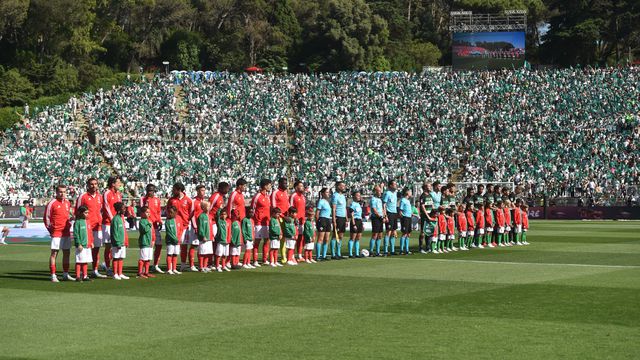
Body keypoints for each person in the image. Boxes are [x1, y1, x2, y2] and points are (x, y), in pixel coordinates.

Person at [76, 178, 105, 278]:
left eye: (95, 184)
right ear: (88, 185)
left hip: (97, 226)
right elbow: (78, 211)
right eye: (91, 184)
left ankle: (95, 270)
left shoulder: (100, 197)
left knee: (96, 249)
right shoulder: (83, 197)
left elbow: (101, 211)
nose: (94, 186)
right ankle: (82, 272)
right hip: (86, 227)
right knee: (83, 249)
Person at [45, 184, 75, 282]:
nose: (62, 194)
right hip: (56, 232)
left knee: (67, 253)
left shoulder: (67, 203)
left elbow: (67, 216)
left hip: (66, 232)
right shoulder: (52, 203)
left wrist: (71, 220)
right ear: (56, 192)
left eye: (64, 192)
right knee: (54, 253)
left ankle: (65, 274)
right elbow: (46, 218)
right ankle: (53, 275)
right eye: (60, 192)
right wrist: (51, 230)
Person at [166, 183, 193, 272]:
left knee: (184, 245)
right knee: (174, 245)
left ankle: (182, 264)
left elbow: (191, 212)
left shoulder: (188, 200)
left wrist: (186, 220)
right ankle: (170, 267)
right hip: (174, 226)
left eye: (174, 189)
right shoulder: (171, 200)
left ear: (179, 190)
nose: (173, 191)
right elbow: (167, 211)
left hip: (184, 226)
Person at [102, 176, 123, 276]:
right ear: (113, 184)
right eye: (118, 182)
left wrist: (120, 221)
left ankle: (115, 268)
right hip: (108, 223)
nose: (120, 184)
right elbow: (106, 208)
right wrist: (113, 220)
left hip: (117, 223)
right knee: (108, 245)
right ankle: (108, 266)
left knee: (116, 244)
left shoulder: (119, 194)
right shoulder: (107, 193)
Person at [140, 184, 163, 273]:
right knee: (147, 246)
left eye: (152, 190)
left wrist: (159, 220)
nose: (150, 192)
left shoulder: (157, 200)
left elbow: (158, 212)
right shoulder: (143, 199)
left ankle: (155, 265)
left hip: (155, 225)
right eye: (148, 190)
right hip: (147, 226)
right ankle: (143, 267)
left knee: (159, 245)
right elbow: (142, 211)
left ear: (154, 191)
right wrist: (146, 203)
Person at [252, 179, 272, 266]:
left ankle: (264, 259)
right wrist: (254, 221)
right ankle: (255, 261)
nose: (270, 186)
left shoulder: (267, 196)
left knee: (267, 241)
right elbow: (252, 209)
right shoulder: (257, 196)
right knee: (257, 242)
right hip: (258, 222)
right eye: (269, 185)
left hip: (266, 222)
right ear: (265, 186)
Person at [189, 185, 208, 272]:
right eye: (202, 190)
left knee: (202, 246)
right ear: (197, 191)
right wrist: (195, 226)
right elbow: (192, 215)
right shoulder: (194, 201)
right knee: (194, 245)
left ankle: (201, 265)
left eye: (204, 190)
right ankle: (192, 265)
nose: (203, 192)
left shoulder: (204, 201)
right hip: (196, 226)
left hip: (203, 227)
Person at [272, 178, 290, 264]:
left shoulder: (286, 193)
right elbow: (274, 207)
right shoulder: (275, 193)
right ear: (279, 183)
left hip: (286, 218)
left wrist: (289, 216)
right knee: (276, 238)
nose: (286, 185)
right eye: (284, 183)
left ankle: (284, 258)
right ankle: (272, 259)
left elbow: (288, 205)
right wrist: (282, 216)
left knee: (284, 238)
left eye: (286, 183)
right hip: (278, 218)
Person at [73, 205, 92, 282]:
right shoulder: (77, 222)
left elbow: (90, 233)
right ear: (81, 213)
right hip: (81, 245)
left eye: (88, 212)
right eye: (85, 213)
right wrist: (78, 243)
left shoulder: (87, 221)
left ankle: (85, 275)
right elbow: (76, 234)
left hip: (87, 245)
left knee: (85, 260)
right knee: (79, 261)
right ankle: (77, 276)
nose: (87, 214)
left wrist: (91, 242)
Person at [110, 202, 129, 280]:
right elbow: (114, 232)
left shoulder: (121, 218)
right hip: (117, 243)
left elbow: (123, 231)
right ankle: (115, 273)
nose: (124, 210)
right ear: (119, 209)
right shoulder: (115, 219)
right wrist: (117, 242)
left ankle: (120, 273)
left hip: (122, 242)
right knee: (116, 258)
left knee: (121, 258)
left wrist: (125, 241)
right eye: (123, 208)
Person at [289, 180, 307, 261]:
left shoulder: (303, 197)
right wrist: (294, 218)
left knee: (301, 238)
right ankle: (291, 255)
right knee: (294, 238)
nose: (302, 187)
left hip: (302, 220)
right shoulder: (293, 196)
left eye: (303, 186)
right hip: (295, 220)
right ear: (296, 187)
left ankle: (299, 255)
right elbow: (291, 208)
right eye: (301, 186)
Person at [330, 181, 347, 259]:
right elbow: (333, 208)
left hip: (343, 217)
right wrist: (334, 219)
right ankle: (333, 254)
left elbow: (344, 208)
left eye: (344, 186)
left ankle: (338, 253)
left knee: (341, 235)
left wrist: (346, 219)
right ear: (338, 186)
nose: (344, 187)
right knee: (335, 235)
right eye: (342, 186)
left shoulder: (343, 196)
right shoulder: (335, 196)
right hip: (338, 217)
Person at [382, 180, 399, 256]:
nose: (396, 185)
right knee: (388, 232)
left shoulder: (395, 193)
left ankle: (392, 250)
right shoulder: (387, 193)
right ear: (390, 186)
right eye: (394, 184)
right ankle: (385, 250)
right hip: (389, 214)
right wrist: (385, 215)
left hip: (394, 213)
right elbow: (384, 205)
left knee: (393, 232)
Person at [315, 187, 332, 261]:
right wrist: (317, 222)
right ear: (322, 193)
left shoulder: (327, 202)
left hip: (328, 220)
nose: (328, 194)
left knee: (327, 239)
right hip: (322, 220)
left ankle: (324, 256)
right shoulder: (321, 201)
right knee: (320, 238)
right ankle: (318, 256)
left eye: (328, 192)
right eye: (327, 192)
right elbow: (317, 213)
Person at [164, 205, 181, 275]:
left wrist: (179, 238)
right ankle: (169, 269)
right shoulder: (167, 221)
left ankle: (174, 268)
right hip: (170, 241)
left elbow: (180, 229)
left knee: (175, 254)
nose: (170, 214)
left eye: (171, 212)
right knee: (169, 254)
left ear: (175, 212)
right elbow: (169, 232)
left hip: (177, 241)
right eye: (169, 212)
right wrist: (175, 239)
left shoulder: (178, 219)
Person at [196, 201, 213, 272]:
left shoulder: (209, 216)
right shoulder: (201, 216)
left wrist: (212, 236)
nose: (209, 208)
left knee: (207, 253)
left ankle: (205, 266)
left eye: (209, 206)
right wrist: (203, 236)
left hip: (209, 238)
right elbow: (200, 227)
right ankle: (201, 266)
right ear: (203, 207)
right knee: (202, 252)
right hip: (204, 238)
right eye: (207, 206)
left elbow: (210, 227)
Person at [418, 182, 434, 254]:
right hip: (425, 216)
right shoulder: (423, 196)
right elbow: (422, 206)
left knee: (429, 232)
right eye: (429, 186)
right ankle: (420, 248)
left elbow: (432, 205)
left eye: (430, 186)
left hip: (430, 215)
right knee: (423, 232)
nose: (430, 187)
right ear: (425, 187)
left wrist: (434, 213)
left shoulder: (430, 195)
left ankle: (428, 247)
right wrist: (427, 215)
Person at [369, 185, 384, 256]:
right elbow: (374, 210)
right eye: (379, 191)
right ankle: (371, 251)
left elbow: (381, 210)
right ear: (375, 191)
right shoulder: (373, 199)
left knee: (380, 235)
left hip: (381, 218)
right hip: (376, 218)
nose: (380, 192)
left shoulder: (379, 199)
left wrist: (384, 216)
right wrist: (380, 217)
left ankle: (377, 251)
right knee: (375, 234)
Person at [348, 190, 363, 258]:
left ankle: (357, 253)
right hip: (355, 221)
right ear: (353, 196)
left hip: (359, 221)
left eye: (359, 195)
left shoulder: (358, 204)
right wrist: (354, 224)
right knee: (352, 238)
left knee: (358, 238)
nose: (359, 197)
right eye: (357, 195)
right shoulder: (353, 204)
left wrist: (362, 224)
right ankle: (350, 254)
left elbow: (360, 215)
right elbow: (352, 215)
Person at [399, 188, 413, 255]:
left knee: (408, 234)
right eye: (410, 191)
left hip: (409, 218)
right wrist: (403, 218)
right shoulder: (403, 200)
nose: (411, 192)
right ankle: (401, 250)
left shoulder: (408, 200)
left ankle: (407, 250)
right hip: (405, 218)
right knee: (404, 233)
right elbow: (400, 211)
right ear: (407, 192)